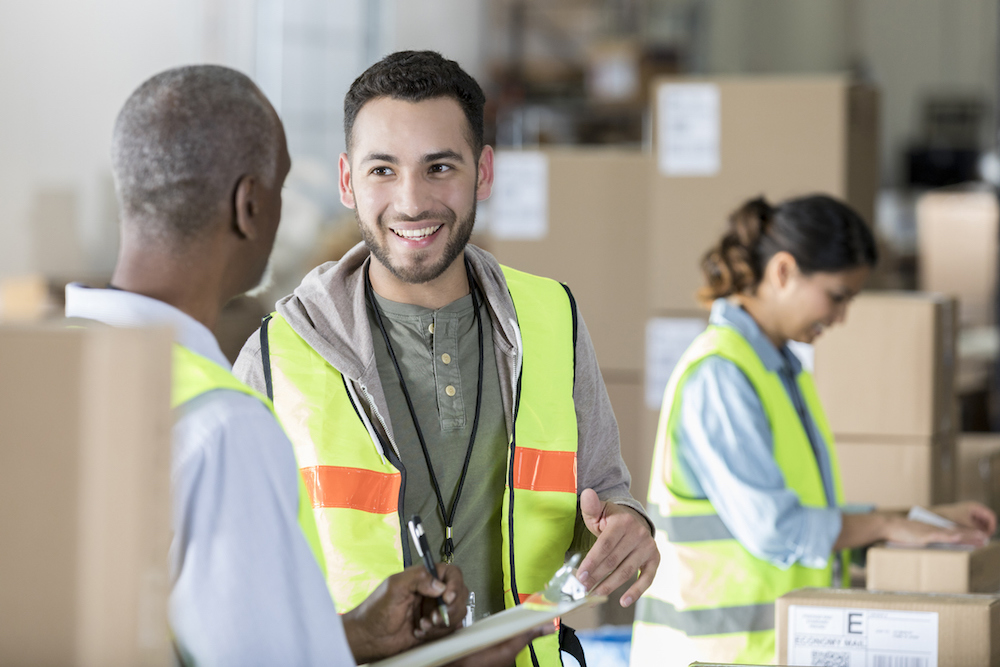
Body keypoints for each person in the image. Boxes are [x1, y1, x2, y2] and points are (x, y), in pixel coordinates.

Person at [65, 64, 546, 667]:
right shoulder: (222, 424)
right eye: (282, 187)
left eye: (439, 167)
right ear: (250, 206)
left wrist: (353, 636)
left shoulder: (45, 378)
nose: (411, 198)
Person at [233, 50, 659, 667]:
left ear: (483, 172)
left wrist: (628, 523)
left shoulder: (552, 319)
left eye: (439, 167)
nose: (411, 201)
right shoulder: (278, 355)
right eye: (383, 169)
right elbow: (243, 590)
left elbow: (602, 492)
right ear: (348, 180)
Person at [628, 194, 997, 666]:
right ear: (783, 271)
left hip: (765, 649)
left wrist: (921, 519)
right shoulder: (722, 375)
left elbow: (809, 514)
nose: (841, 317)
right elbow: (779, 529)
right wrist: (888, 524)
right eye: (837, 296)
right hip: (715, 653)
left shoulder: (781, 371)